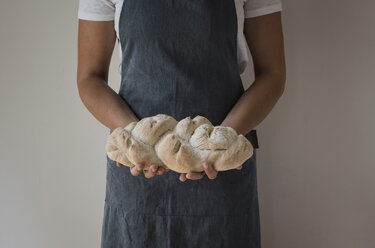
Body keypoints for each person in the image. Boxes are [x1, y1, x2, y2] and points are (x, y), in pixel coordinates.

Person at [77, 0, 286, 247]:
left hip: (221, 172)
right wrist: (139, 142)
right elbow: (89, 78)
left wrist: (221, 141)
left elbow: (273, 73)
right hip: (137, 173)